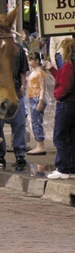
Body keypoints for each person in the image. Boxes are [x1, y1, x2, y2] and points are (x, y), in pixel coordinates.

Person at [0, 41, 29, 168]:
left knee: (19, 123)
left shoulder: (18, 48)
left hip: (15, 90)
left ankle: (20, 153)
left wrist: (23, 86)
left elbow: (22, 70)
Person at [45, 39, 75, 179]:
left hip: (66, 103)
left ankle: (63, 167)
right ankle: (71, 167)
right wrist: (52, 69)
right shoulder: (71, 66)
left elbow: (64, 85)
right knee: (71, 136)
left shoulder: (68, 66)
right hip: (72, 103)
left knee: (60, 136)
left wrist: (57, 95)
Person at [26, 52, 48, 156]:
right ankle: (39, 144)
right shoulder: (35, 72)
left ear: (37, 61)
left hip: (36, 98)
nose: (29, 62)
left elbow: (42, 88)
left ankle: (40, 145)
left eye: (31, 60)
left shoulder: (40, 73)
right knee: (35, 122)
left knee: (37, 122)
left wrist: (40, 101)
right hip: (33, 98)